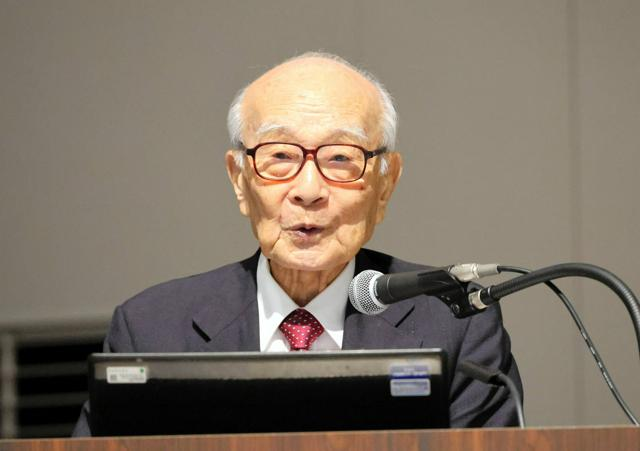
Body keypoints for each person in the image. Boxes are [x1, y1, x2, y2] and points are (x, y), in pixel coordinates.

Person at [72, 52, 521, 436]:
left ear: (386, 185)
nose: (308, 190)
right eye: (281, 156)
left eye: (341, 157)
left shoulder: (455, 322)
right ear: (239, 181)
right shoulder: (151, 329)